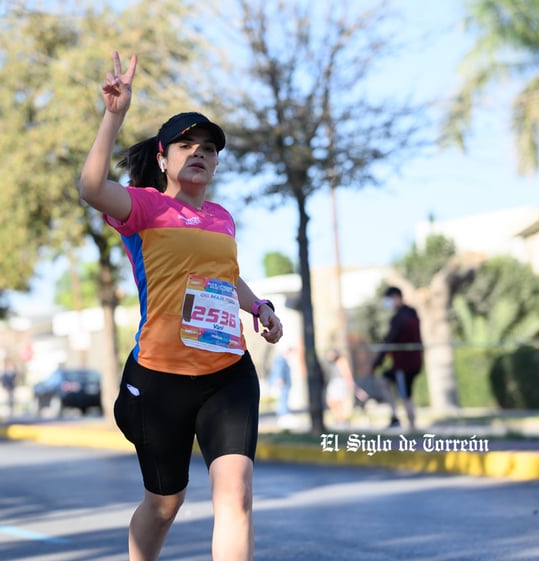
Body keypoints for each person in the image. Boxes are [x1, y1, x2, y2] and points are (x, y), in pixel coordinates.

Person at [78, 51, 283, 561]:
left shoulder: (222, 218)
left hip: (226, 373)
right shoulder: (144, 207)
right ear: (164, 157)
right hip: (160, 378)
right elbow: (90, 187)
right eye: (187, 145)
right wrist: (114, 115)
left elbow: (225, 277)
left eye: (209, 149)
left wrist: (259, 309)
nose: (200, 153)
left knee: (235, 494)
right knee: (165, 503)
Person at [371, 286, 423, 430]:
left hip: (404, 364)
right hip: (407, 362)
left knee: (406, 394)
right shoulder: (410, 313)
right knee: (383, 380)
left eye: (388, 299)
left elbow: (391, 340)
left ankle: (412, 426)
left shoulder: (402, 316)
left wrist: (378, 360)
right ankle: (395, 417)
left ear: (396, 297)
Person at [323, 348, 366, 427]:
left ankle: (342, 419)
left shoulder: (341, 361)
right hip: (335, 382)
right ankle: (340, 418)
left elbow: (346, 373)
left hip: (339, 383)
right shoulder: (332, 363)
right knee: (332, 402)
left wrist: (350, 383)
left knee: (338, 401)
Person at [268, 346, 293, 418]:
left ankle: (284, 412)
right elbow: (278, 370)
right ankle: (283, 413)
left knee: (284, 397)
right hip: (282, 382)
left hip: (285, 382)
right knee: (283, 398)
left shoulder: (282, 359)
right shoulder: (280, 359)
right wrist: (279, 379)